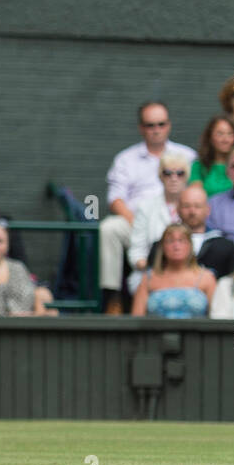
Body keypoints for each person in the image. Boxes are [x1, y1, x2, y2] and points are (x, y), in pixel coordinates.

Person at [99, 101, 197, 311]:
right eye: (150, 125)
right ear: (141, 127)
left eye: (161, 124)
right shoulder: (126, 158)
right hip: (136, 222)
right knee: (109, 228)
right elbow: (115, 198)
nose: (156, 130)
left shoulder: (188, 155)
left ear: (169, 125)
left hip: (180, 224)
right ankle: (112, 297)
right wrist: (139, 222)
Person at [126, 152, 191, 292]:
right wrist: (159, 272)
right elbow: (136, 253)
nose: (174, 178)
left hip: (189, 275)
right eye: (168, 173)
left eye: (180, 173)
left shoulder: (196, 205)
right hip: (153, 272)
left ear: (187, 176)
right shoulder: (146, 207)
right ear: (160, 176)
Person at [132, 223, 216, 317]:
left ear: (190, 246)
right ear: (162, 247)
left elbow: (216, 317)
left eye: (181, 240)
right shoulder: (147, 279)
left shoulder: (206, 277)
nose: (176, 246)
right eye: (170, 241)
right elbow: (136, 320)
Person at [177, 182, 234, 279]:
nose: (192, 211)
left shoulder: (226, 247)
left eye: (197, 206)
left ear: (208, 210)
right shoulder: (164, 245)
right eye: (186, 206)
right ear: (178, 209)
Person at [191, 114, 234, 195]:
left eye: (230, 134)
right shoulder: (198, 167)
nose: (225, 140)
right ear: (210, 137)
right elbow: (197, 198)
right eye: (220, 134)